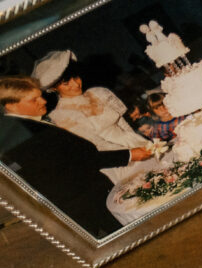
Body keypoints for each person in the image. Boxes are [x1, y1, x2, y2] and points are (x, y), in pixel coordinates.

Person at [0, 76, 151, 239]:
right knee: (129, 237)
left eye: (40, 95)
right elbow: (81, 160)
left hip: (82, 196)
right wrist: (129, 154)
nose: (42, 101)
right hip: (83, 200)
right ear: (12, 105)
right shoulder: (24, 134)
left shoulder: (26, 126)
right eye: (33, 99)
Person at [32, 50, 152, 182]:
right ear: (54, 88)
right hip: (116, 160)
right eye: (66, 83)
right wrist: (129, 154)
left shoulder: (99, 92)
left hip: (134, 143)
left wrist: (138, 142)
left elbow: (123, 125)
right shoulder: (60, 116)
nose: (76, 84)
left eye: (76, 77)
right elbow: (93, 148)